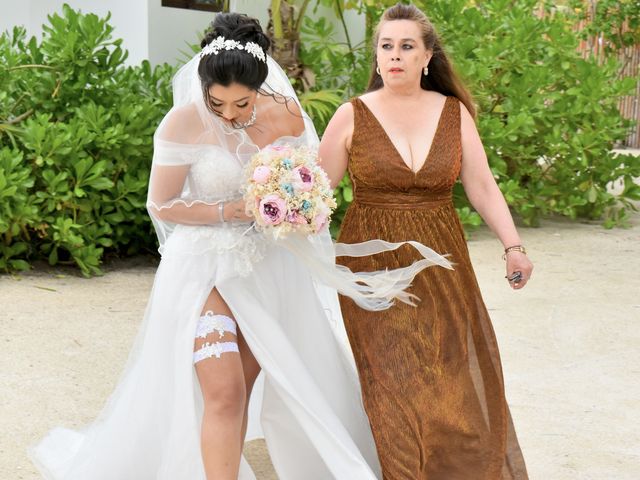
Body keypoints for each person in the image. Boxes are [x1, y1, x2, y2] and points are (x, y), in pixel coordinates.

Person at [30, 13, 402, 480]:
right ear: (203, 88)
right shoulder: (183, 122)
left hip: (268, 270)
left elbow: (310, 185)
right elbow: (162, 203)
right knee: (222, 389)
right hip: (204, 267)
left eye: (242, 103)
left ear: (260, 85)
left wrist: (299, 206)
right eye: (218, 102)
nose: (229, 114)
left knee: (239, 391)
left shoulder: (287, 114)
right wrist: (234, 211)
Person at [319, 3, 532, 479]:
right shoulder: (350, 115)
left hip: (441, 260)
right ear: (377, 57)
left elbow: (480, 186)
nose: (395, 55)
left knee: (448, 372)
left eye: (407, 46)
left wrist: (513, 245)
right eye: (386, 46)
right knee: (393, 376)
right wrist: (278, 216)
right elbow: (318, 194)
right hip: (371, 265)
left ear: (427, 56)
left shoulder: (453, 114)